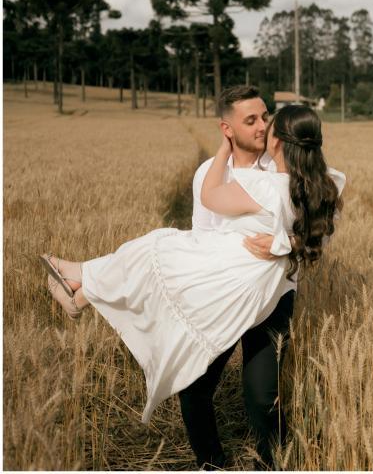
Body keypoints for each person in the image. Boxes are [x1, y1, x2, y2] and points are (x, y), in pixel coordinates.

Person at [41, 91, 345, 469]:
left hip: (275, 295)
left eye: (265, 116)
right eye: (250, 120)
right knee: (196, 387)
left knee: (262, 396)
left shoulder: (281, 168)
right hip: (220, 291)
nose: (262, 125)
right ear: (227, 128)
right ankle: (211, 463)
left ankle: (273, 464)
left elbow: (317, 222)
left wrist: (287, 243)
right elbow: (201, 235)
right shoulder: (209, 174)